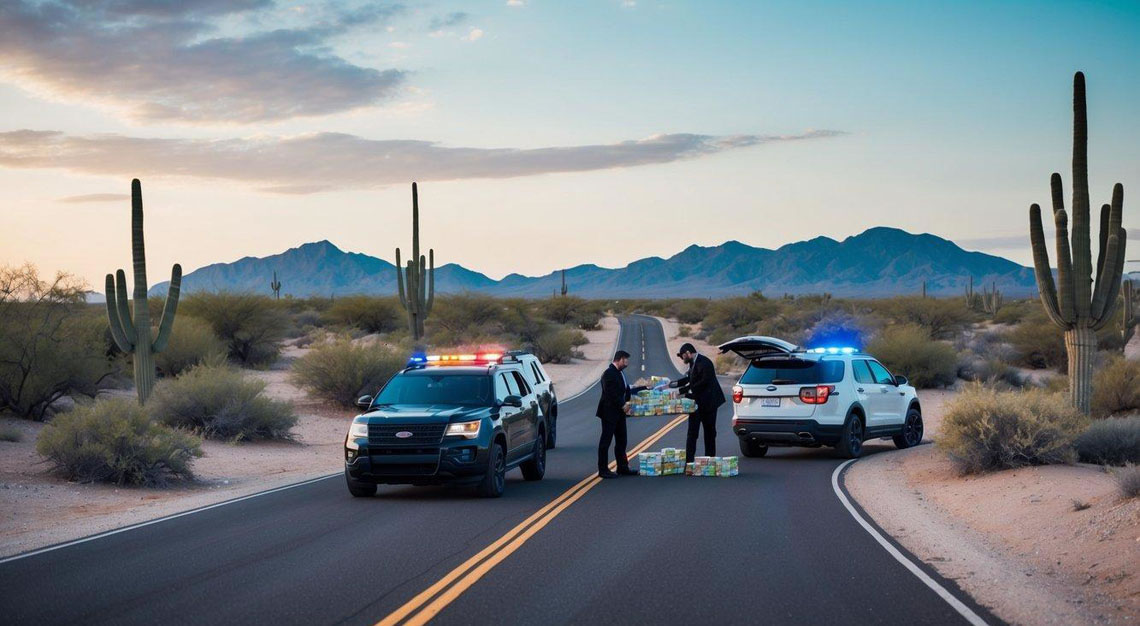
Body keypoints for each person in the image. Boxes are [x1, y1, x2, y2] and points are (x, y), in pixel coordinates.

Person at [671, 343, 726, 463]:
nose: (682, 359)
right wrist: (671, 384)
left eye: (682, 356)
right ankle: (689, 462)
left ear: (688, 353)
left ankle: (710, 460)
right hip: (696, 403)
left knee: (709, 432)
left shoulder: (704, 363)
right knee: (692, 432)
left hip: (709, 403)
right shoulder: (693, 363)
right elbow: (688, 379)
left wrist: (681, 391)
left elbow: (701, 383)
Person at [596, 350, 646, 479]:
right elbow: (610, 393)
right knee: (605, 441)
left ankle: (622, 467)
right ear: (619, 359)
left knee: (622, 441)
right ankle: (603, 469)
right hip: (609, 412)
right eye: (626, 360)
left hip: (620, 413)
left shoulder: (620, 373)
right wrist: (623, 404)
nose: (627, 362)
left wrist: (643, 387)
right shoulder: (608, 374)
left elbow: (625, 389)